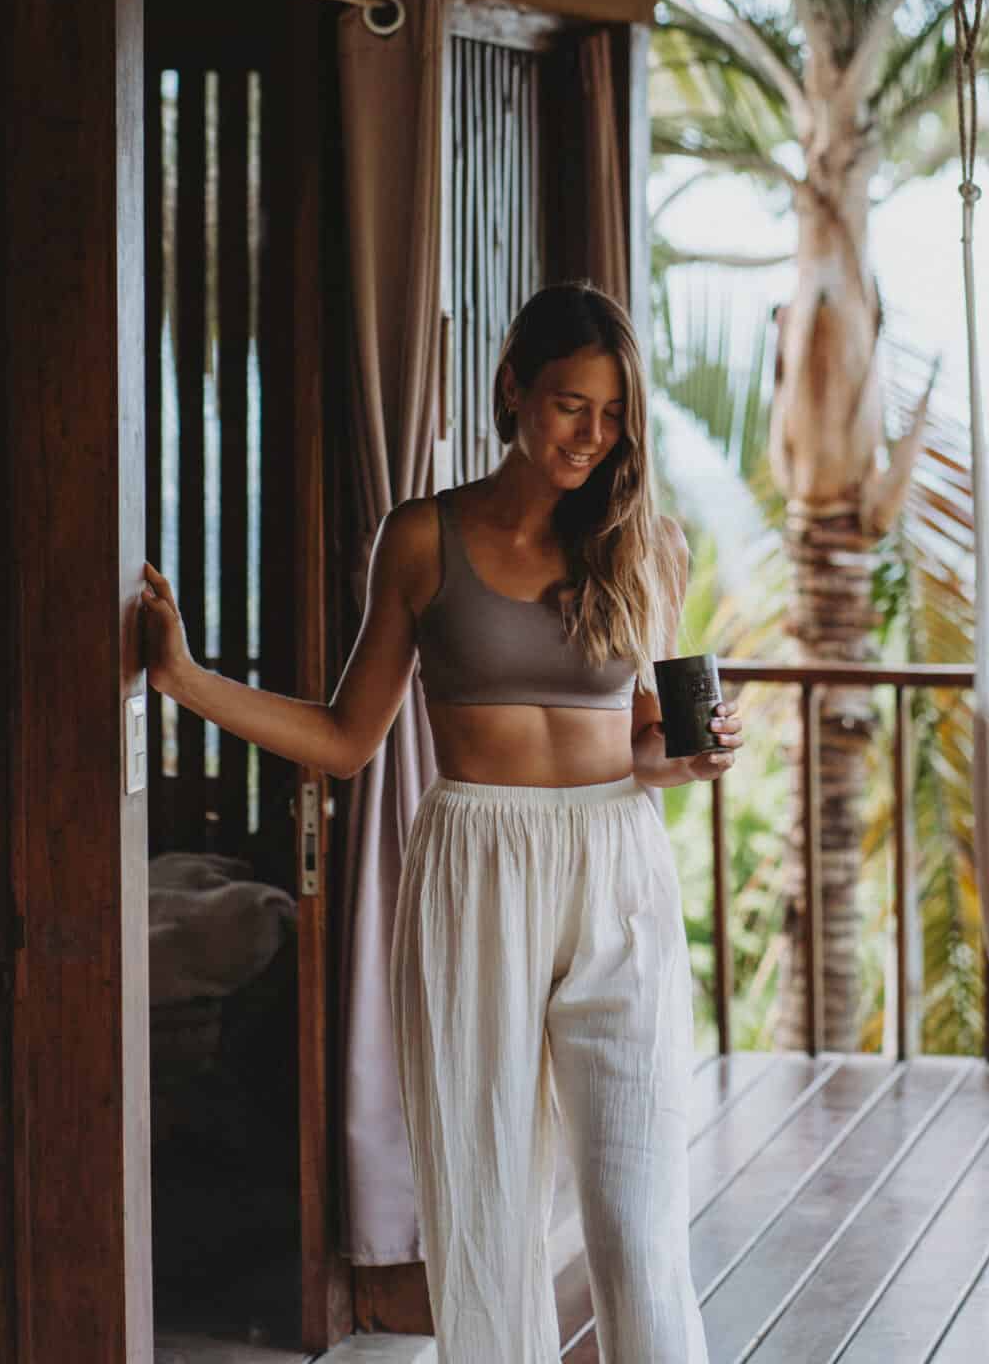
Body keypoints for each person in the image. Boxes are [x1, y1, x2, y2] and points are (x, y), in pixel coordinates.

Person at [139, 279, 743, 1363]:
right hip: (476, 859)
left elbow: (651, 739)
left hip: (616, 858)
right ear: (514, 387)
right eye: (570, 405)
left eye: (611, 416)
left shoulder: (648, 545)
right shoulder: (422, 537)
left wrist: (691, 753)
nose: (591, 436)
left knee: (640, 1206)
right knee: (485, 1200)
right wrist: (185, 676)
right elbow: (345, 735)